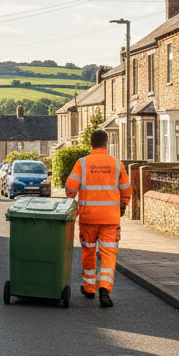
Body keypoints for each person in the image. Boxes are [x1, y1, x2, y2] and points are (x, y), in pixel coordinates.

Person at [64, 130, 131, 307]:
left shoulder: (82, 163)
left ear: (91, 144)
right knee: (109, 253)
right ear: (106, 143)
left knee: (88, 251)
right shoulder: (117, 164)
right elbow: (126, 190)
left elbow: (70, 188)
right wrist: (123, 205)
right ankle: (105, 288)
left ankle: (89, 288)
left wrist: (72, 202)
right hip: (110, 218)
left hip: (88, 218)